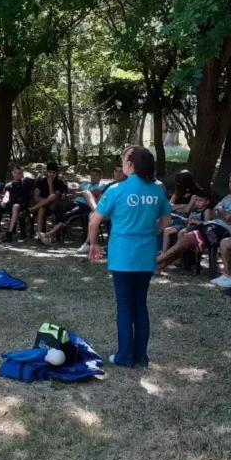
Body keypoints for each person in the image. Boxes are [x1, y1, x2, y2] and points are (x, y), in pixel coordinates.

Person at [87, 146, 171, 367]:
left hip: (123, 256)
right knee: (140, 305)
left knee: (124, 306)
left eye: (124, 159)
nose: (122, 163)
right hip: (145, 256)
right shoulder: (157, 191)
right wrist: (147, 233)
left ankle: (124, 356)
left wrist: (94, 244)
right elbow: (166, 222)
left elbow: (94, 221)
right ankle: (141, 356)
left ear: (131, 165)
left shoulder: (116, 190)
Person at [155, 171, 231, 273]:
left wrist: (221, 210)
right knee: (183, 240)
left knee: (184, 240)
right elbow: (213, 214)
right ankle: (159, 266)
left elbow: (228, 217)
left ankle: (152, 263)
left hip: (223, 231)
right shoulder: (229, 197)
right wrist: (223, 212)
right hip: (211, 225)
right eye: (230, 181)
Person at [38, 168, 108, 250]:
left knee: (69, 215)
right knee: (60, 212)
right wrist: (82, 193)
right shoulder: (85, 183)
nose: (93, 177)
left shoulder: (101, 185)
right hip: (74, 202)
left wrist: (82, 192)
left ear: (100, 177)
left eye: (96, 175)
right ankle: (51, 238)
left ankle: (49, 234)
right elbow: (75, 194)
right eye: (92, 175)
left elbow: (95, 193)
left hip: (85, 205)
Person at [160, 192, 211, 256]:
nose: (197, 202)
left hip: (196, 229)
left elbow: (207, 223)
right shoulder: (194, 210)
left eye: (200, 200)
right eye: (196, 200)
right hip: (186, 226)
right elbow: (189, 220)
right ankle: (164, 254)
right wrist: (187, 220)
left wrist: (196, 222)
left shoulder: (206, 210)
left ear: (207, 202)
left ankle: (177, 255)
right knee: (167, 230)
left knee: (181, 233)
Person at [30, 162, 69, 234]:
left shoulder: (60, 183)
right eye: (50, 172)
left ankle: (31, 209)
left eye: (54, 173)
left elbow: (53, 197)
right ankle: (40, 234)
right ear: (46, 172)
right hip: (42, 205)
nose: (52, 175)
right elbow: (36, 198)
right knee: (41, 208)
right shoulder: (40, 181)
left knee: (52, 197)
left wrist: (50, 184)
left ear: (57, 173)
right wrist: (46, 201)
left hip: (54, 206)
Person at [0, 165, 34, 242]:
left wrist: (26, 174)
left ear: (22, 174)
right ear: (12, 173)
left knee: (15, 206)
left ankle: (9, 233)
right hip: (10, 203)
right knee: (1, 205)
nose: (17, 175)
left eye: (19, 173)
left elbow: (35, 179)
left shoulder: (27, 182)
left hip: (22, 205)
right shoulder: (9, 185)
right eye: (15, 173)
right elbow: (6, 195)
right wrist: (4, 201)